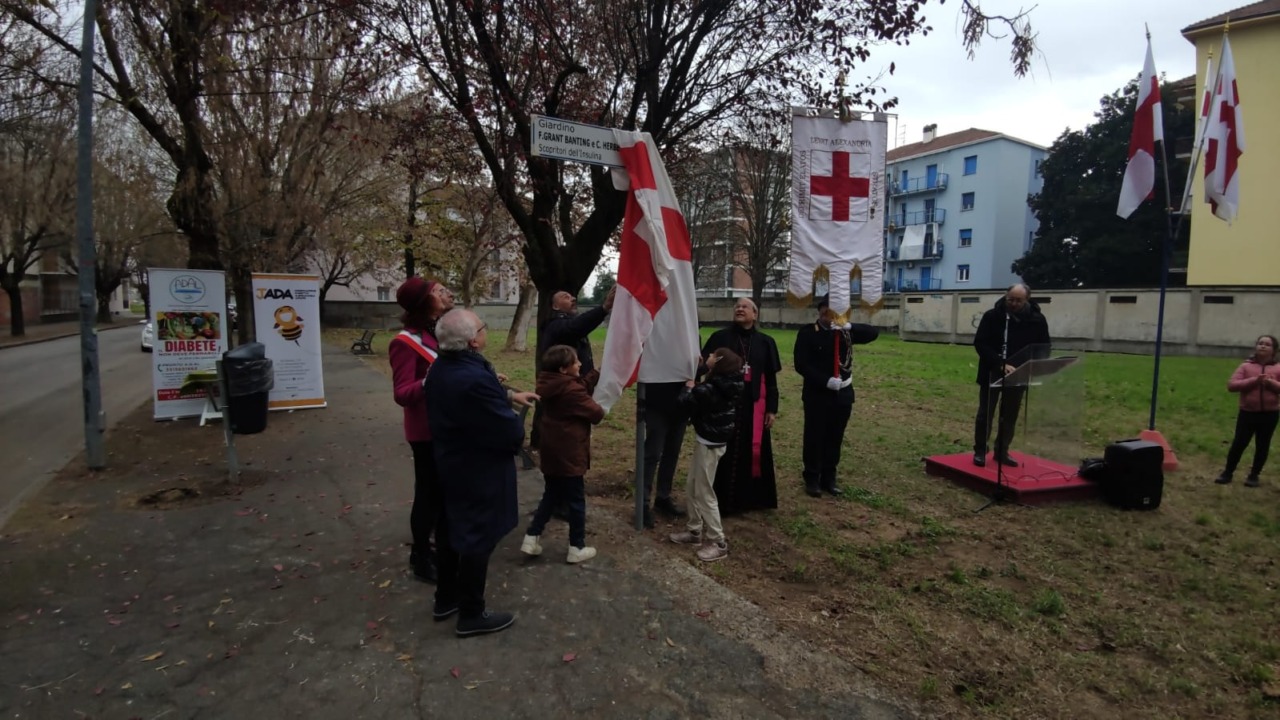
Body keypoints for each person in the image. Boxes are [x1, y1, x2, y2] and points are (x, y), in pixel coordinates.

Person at [424, 309, 538, 637]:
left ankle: (446, 597)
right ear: (474, 340)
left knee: (448, 530)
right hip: (478, 469)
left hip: (451, 462)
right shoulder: (471, 377)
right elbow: (508, 433)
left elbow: (469, 396)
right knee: (478, 536)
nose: (486, 332)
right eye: (483, 328)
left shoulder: (441, 366)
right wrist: (515, 420)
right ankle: (472, 613)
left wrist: (507, 395)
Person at [388, 277, 454, 583]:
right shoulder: (404, 342)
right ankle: (421, 556)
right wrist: (430, 382)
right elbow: (402, 393)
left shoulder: (436, 332)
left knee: (443, 494)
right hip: (426, 431)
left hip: (448, 425)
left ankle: (438, 547)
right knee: (428, 495)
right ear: (424, 301)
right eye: (438, 292)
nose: (445, 294)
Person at [520, 345, 604, 563]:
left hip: (552, 451)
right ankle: (577, 546)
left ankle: (531, 536)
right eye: (576, 362)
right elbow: (596, 413)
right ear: (564, 369)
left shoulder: (550, 382)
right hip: (570, 453)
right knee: (576, 501)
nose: (581, 364)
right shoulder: (570, 390)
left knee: (552, 494)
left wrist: (598, 373)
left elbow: (578, 387)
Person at [700, 298, 782, 515]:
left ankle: (750, 500)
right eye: (737, 306)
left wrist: (772, 409)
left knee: (750, 452)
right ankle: (719, 499)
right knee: (722, 453)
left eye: (745, 306)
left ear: (755, 315)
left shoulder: (766, 342)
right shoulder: (720, 338)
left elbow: (771, 380)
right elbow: (704, 367)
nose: (739, 308)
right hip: (723, 405)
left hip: (753, 407)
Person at [792, 299, 880, 498]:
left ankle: (829, 477)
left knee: (835, 437)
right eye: (826, 313)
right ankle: (812, 477)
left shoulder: (845, 332)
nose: (829, 318)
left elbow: (873, 333)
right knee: (815, 436)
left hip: (843, 394)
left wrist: (849, 325)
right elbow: (801, 365)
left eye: (834, 314)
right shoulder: (808, 333)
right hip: (818, 394)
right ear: (820, 313)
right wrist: (824, 381)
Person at [669, 348, 744, 562]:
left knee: (704, 492)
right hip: (710, 440)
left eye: (712, 355)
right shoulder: (728, 383)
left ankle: (718, 542)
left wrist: (689, 386)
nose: (707, 356)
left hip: (710, 443)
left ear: (718, 361)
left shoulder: (710, 388)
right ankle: (694, 531)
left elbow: (684, 404)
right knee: (693, 485)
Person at [972, 283, 1051, 468]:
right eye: (1010, 299)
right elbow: (981, 343)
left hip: (1020, 374)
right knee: (985, 414)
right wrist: (999, 363)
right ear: (1005, 297)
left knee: (1010, 415)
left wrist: (1035, 364)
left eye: (1018, 300)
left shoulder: (1037, 320)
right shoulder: (993, 317)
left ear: (1027, 300)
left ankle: (1002, 451)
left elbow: (1044, 347)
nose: (1013, 303)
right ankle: (981, 451)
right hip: (992, 372)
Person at [531, 287, 614, 449]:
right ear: (555, 307)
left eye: (572, 296)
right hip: (567, 412)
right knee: (570, 442)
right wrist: (603, 308)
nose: (573, 298)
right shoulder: (555, 325)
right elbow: (576, 327)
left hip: (576, 391)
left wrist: (595, 373)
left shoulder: (564, 324)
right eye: (565, 297)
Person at [1214, 335, 1280, 487]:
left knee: (1263, 445)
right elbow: (1232, 385)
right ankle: (1227, 472)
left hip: (1270, 414)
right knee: (1239, 443)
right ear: (1256, 347)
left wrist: (1271, 383)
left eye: (1267, 344)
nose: (1263, 346)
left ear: (1274, 350)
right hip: (1247, 413)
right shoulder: (1246, 366)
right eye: (1260, 343)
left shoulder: (1277, 368)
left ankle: (1254, 475)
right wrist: (1254, 381)